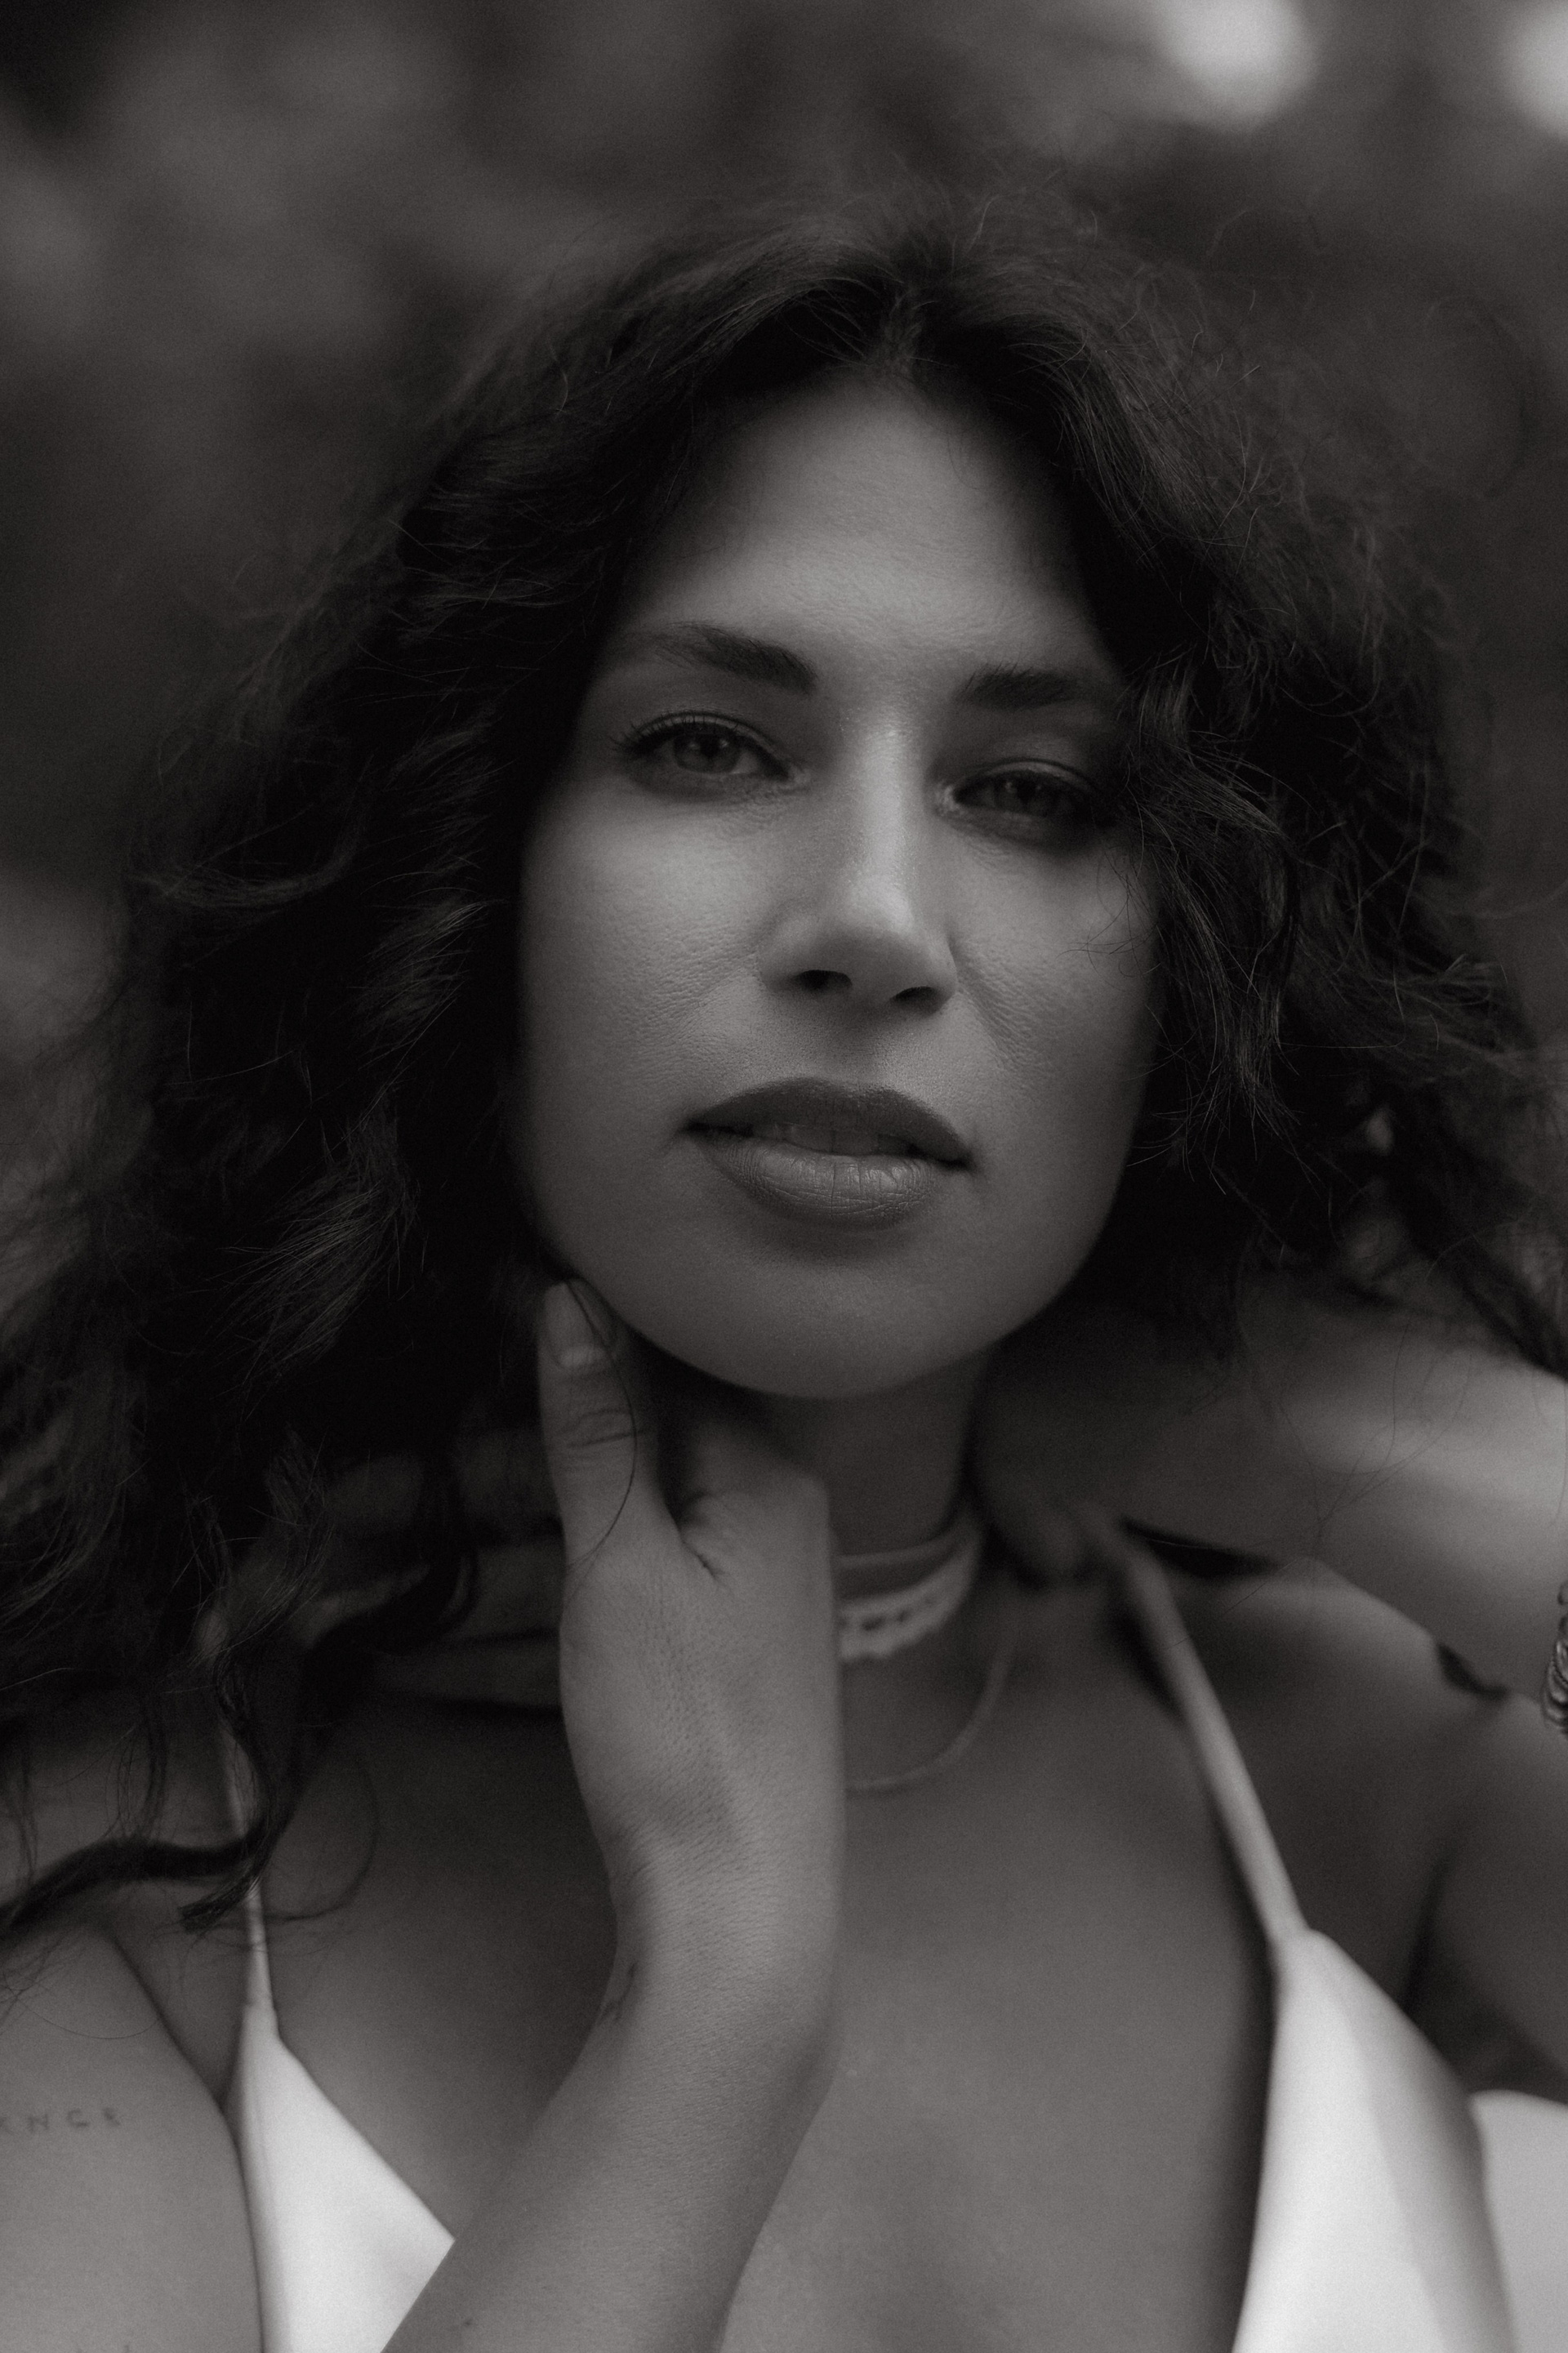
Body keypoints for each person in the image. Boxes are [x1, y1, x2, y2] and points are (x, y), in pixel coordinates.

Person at [3, 195, 1568, 2353]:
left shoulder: (1360, 1778)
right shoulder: (118, 1885)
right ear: (466, 868)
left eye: (1032, 789)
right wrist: (717, 1997)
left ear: (1209, 950)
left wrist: (1335, 1436)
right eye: (709, 745)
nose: (874, 919)